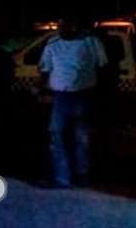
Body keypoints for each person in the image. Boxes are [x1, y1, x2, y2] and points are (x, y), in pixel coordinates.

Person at [37, 15, 109, 187]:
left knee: (80, 138)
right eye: (62, 26)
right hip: (61, 97)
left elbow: (103, 67)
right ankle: (63, 177)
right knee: (58, 136)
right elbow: (44, 69)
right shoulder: (53, 44)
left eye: (69, 25)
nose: (66, 29)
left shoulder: (92, 42)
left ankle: (80, 175)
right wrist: (38, 88)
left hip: (84, 95)